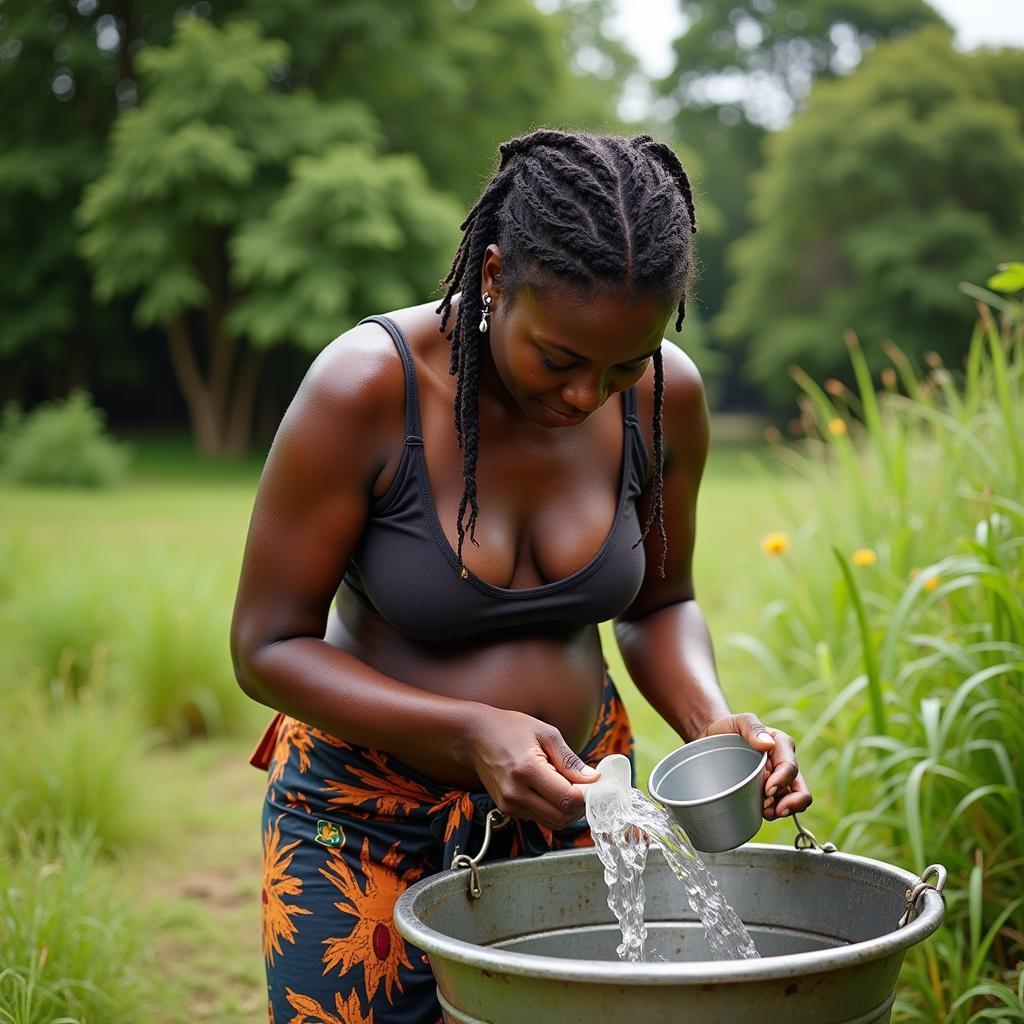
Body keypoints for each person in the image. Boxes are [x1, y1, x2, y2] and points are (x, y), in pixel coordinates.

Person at [230, 128, 812, 1024]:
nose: (587, 396)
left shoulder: (666, 398)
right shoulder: (368, 389)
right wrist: (467, 732)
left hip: (580, 819)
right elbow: (267, 646)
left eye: (624, 364)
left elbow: (661, 603)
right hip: (364, 823)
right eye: (559, 357)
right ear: (494, 275)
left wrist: (714, 728)